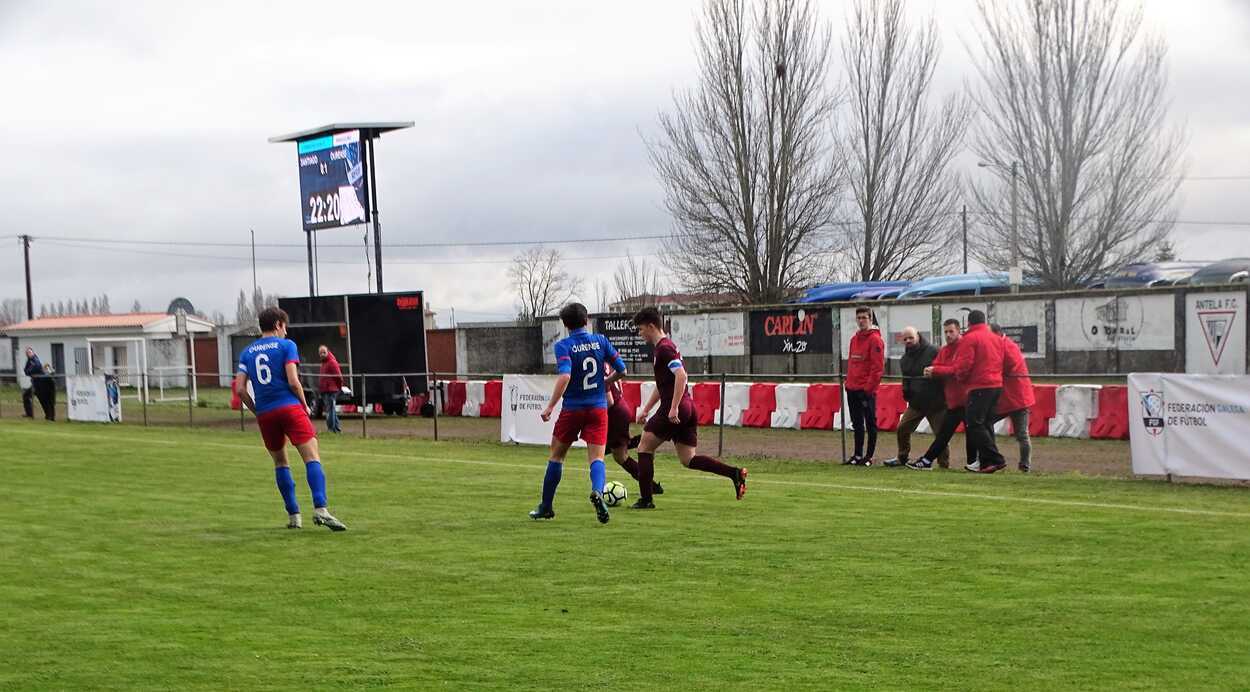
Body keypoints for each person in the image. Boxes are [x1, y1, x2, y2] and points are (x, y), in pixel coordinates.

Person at [235, 307, 347, 531]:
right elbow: (293, 381)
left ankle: (294, 516)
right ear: (278, 325)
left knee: (280, 463)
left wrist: (257, 411)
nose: (285, 332)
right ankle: (320, 509)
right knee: (311, 456)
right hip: (289, 407)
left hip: (266, 413)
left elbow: (240, 389)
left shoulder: (247, 352)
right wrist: (304, 405)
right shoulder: (287, 346)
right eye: (284, 327)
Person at [631, 306, 747, 509]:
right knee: (688, 459)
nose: (640, 334)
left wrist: (673, 407)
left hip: (675, 408)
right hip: (688, 407)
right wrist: (647, 408)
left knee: (644, 447)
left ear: (651, 326)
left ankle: (646, 500)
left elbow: (681, 376)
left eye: (641, 329)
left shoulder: (664, 349)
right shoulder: (666, 347)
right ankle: (734, 473)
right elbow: (663, 384)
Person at [529, 302, 627, 523]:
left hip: (573, 409)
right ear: (586, 320)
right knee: (597, 458)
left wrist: (550, 406)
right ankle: (598, 492)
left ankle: (546, 506)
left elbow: (565, 376)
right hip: (598, 408)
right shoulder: (601, 341)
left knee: (557, 456)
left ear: (565, 325)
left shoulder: (564, 346)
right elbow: (622, 370)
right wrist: (606, 382)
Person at [930, 310, 1008, 474]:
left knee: (974, 424)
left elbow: (964, 365)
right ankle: (986, 462)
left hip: (979, 386)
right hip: (996, 385)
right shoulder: (996, 338)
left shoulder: (969, 339)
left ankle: (995, 459)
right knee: (986, 424)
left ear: (969, 323)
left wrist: (962, 379)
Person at [908, 320, 971, 471]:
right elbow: (938, 365)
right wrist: (934, 370)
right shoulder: (945, 350)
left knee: (971, 434)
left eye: (951, 331)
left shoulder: (965, 347)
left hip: (968, 399)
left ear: (958, 331)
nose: (948, 335)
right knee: (944, 434)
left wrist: (936, 371)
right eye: (946, 332)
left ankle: (973, 462)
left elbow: (958, 370)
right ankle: (927, 460)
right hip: (953, 400)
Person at [883, 327, 948, 469]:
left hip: (936, 403)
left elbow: (945, 371)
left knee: (941, 435)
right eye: (905, 339)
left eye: (911, 338)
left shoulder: (934, 351)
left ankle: (944, 464)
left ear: (918, 336)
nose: (908, 341)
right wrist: (906, 393)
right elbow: (906, 379)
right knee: (902, 428)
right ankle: (902, 457)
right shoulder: (904, 359)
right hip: (916, 403)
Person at [604, 363, 664, 497]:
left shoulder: (598, 365)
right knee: (609, 451)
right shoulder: (608, 362)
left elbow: (609, 401)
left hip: (614, 413)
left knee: (619, 456)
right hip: (620, 408)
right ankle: (643, 439)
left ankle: (651, 486)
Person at [990, 324, 1035, 473]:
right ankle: (991, 457)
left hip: (1017, 399)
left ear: (997, 333)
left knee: (1022, 434)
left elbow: (1006, 367)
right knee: (986, 425)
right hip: (1009, 398)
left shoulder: (1009, 347)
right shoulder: (1006, 346)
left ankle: (1024, 465)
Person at [844, 306, 885, 466]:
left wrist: (868, 389)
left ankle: (869, 456)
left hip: (866, 390)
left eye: (864, 318)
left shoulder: (875, 340)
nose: (861, 321)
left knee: (870, 423)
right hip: (852, 388)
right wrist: (848, 384)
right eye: (859, 318)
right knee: (857, 424)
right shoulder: (854, 340)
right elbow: (852, 364)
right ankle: (857, 454)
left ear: (870, 319)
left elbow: (877, 368)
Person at [317, 345, 344, 434]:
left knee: (330, 410)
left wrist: (339, 387)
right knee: (331, 410)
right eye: (320, 353)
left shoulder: (332, 362)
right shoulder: (323, 363)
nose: (322, 354)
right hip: (325, 390)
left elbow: (339, 376)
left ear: (328, 352)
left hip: (331, 390)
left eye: (324, 352)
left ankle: (331, 429)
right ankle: (337, 429)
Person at [21, 347, 41, 418]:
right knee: (26, 396)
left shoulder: (35, 360)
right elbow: (26, 371)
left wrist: (29, 371)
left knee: (44, 399)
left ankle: (50, 416)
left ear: (33, 352)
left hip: (39, 383)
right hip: (35, 383)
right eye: (27, 353)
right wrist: (29, 371)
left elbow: (37, 367)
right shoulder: (29, 360)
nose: (28, 354)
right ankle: (29, 414)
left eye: (29, 352)